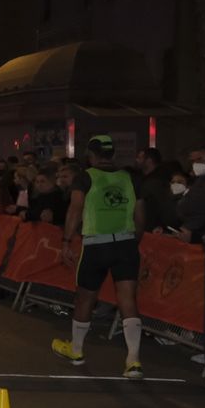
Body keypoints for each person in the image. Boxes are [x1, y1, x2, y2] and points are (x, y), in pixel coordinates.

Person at [51, 135, 147, 380]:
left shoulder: (85, 177)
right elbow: (140, 216)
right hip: (125, 244)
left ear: (91, 155)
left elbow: (75, 209)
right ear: (112, 153)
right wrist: (132, 241)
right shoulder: (131, 177)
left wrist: (65, 241)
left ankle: (76, 350)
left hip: (95, 246)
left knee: (85, 298)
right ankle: (133, 361)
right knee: (127, 299)